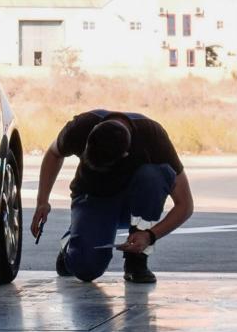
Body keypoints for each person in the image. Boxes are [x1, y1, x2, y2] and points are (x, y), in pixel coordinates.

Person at [31, 110, 194, 284]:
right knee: (86, 269)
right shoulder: (80, 127)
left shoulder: (152, 137)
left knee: (155, 175)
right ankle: (70, 246)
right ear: (87, 140)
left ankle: (137, 260)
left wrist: (149, 235)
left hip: (133, 206)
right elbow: (54, 153)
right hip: (93, 198)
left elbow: (185, 205)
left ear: (125, 154)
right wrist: (42, 201)